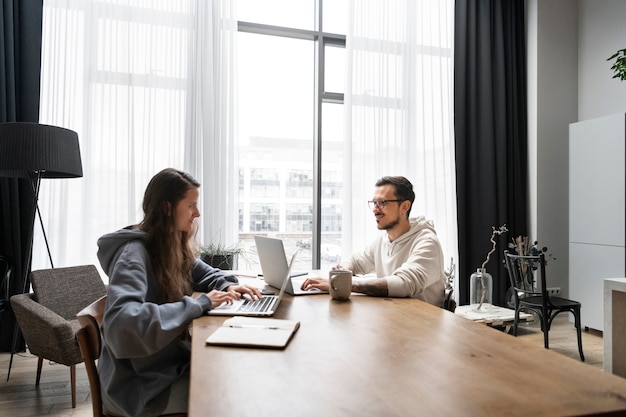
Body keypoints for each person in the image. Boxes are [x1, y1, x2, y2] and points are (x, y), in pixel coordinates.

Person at [96, 168, 262, 417]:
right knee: (228, 400)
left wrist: (227, 285)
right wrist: (199, 304)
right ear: (168, 207)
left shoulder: (168, 245)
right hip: (140, 386)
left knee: (234, 381)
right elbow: (123, 323)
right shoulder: (132, 255)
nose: (197, 213)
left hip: (163, 367)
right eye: (191, 205)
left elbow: (205, 273)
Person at [301, 176, 445, 306]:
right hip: (393, 318)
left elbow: (404, 284)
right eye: (374, 203)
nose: (375, 210)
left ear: (404, 206)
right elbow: (355, 260)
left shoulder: (427, 242)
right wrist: (344, 271)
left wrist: (344, 283)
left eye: (382, 203)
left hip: (423, 326)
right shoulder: (383, 240)